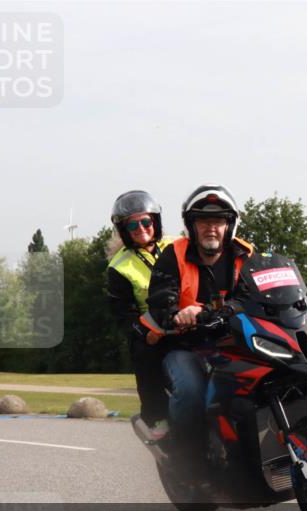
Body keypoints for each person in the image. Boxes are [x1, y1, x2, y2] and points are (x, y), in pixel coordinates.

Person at [142, 184, 256, 454]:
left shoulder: (246, 255)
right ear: (191, 225)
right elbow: (160, 302)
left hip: (236, 342)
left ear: (230, 225)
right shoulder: (174, 254)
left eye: (218, 221)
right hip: (185, 345)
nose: (211, 227)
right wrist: (176, 315)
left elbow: (257, 294)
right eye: (203, 220)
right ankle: (187, 460)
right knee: (192, 391)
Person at [106, 190, 171, 438]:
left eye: (145, 221)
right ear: (124, 230)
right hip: (152, 325)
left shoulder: (178, 245)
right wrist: (146, 332)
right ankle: (156, 418)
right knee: (143, 353)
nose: (141, 228)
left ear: (155, 221)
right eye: (132, 224)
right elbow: (123, 315)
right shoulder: (119, 266)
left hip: (189, 316)